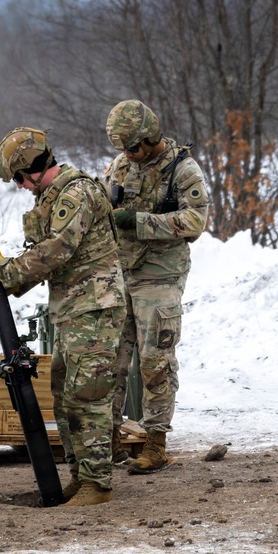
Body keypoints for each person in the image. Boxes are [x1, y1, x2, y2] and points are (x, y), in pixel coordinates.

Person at [0, 127, 125, 507]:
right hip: (75, 311)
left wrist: (5, 273)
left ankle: (97, 484)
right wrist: (8, 275)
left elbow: (57, 251)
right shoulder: (57, 196)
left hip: (94, 310)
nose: (21, 187)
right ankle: (82, 476)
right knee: (65, 395)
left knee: (86, 398)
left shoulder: (76, 194)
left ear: (31, 170)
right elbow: (48, 252)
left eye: (20, 179)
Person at [105, 99, 210, 474]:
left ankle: (155, 444)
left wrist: (140, 221)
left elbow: (196, 221)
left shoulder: (182, 169)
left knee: (155, 362)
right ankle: (110, 439)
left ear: (150, 137)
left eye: (133, 147)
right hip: (123, 273)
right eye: (122, 148)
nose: (128, 155)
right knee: (112, 360)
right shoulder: (119, 166)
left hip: (160, 275)